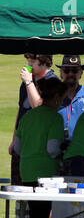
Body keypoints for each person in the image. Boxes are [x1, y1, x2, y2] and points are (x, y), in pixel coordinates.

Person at [13, 77, 67, 218]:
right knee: (39, 217)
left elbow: (17, 148)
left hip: (26, 169)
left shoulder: (28, 116)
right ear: (57, 97)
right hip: (45, 172)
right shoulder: (55, 117)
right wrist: (64, 149)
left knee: (38, 214)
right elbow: (52, 149)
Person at [9, 53, 58, 185]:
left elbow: (40, 109)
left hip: (39, 148)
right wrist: (14, 140)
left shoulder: (52, 82)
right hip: (23, 143)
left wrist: (29, 82)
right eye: (27, 61)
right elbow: (21, 110)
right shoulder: (26, 83)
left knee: (37, 193)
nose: (28, 66)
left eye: (32, 62)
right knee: (19, 189)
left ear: (44, 62)